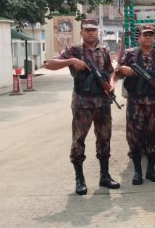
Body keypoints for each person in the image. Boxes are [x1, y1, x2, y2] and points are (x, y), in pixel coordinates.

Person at [44, 19, 120, 196]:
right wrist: (71, 61)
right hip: (82, 103)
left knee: (104, 139)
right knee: (78, 140)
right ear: (81, 32)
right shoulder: (74, 51)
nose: (91, 33)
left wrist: (111, 84)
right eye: (87, 30)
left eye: (93, 30)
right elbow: (49, 64)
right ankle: (79, 179)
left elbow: (111, 72)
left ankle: (105, 176)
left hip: (102, 102)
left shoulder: (104, 51)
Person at [114, 24, 155, 185]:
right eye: (145, 35)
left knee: (154, 136)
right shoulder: (130, 54)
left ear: (154, 37)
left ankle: (150, 170)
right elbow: (116, 74)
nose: (148, 37)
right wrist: (122, 69)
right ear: (139, 37)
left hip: (154, 103)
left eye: (151, 35)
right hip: (135, 103)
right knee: (135, 138)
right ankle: (138, 171)